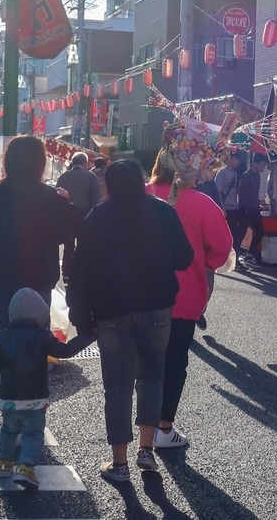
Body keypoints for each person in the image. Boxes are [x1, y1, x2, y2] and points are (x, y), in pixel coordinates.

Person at [68, 159, 194, 480]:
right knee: (152, 375)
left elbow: (79, 272)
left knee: (118, 384)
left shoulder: (97, 217)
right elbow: (184, 257)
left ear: (107, 185)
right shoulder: (163, 210)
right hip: (156, 307)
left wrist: (82, 318)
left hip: (111, 310)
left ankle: (120, 463)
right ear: (141, 181)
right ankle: (146, 450)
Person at [146, 151, 232, 447]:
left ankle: (143, 426)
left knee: (145, 360)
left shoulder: (140, 194)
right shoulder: (201, 203)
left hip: (138, 293)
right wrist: (203, 264)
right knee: (174, 359)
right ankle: (163, 427)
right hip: (185, 293)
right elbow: (221, 247)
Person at [0, 288, 93, 489]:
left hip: (8, 398)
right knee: (33, 433)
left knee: (8, 430)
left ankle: (3, 462)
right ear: (40, 315)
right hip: (34, 398)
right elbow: (65, 350)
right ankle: (25, 467)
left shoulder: (2, 336)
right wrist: (88, 337)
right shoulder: (42, 336)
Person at [0, 136, 80, 329]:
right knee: (37, 335)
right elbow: (65, 234)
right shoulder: (50, 197)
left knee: (6, 333)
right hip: (39, 276)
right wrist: (65, 204)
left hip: (1, 274)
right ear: (40, 161)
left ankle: (5, 359)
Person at [235, 153, 268, 269]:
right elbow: (242, 194)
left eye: (264, 166)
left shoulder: (257, 176)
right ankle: (235, 258)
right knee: (240, 234)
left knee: (260, 231)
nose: (263, 168)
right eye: (262, 165)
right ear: (255, 164)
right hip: (246, 209)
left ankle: (249, 255)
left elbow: (254, 193)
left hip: (254, 208)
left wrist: (258, 203)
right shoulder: (246, 176)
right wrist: (247, 208)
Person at [56, 152, 102, 219]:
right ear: (84, 163)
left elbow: (57, 196)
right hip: (85, 216)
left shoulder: (63, 176)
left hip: (66, 216)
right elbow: (95, 198)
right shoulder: (91, 177)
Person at [214, 153, 242, 253]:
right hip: (225, 208)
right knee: (226, 235)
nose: (238, 162)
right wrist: (222, 208)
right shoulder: (221, 172)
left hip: (234, 207)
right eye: (236, 159)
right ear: (230, 159)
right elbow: (218, 192)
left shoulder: (235, 174)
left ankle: (235, 258)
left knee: (235, 234)